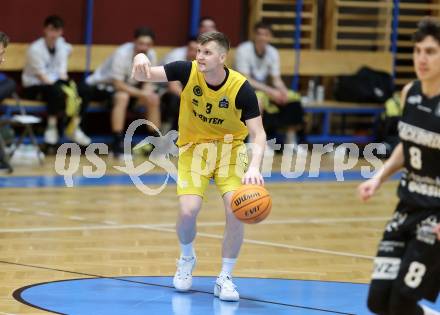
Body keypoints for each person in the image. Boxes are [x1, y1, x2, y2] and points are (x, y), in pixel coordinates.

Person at [131, 31, 266, 301]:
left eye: (207, 53)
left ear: (222, 57)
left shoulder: (241, 88)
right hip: (194, 150)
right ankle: (186, 256)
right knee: (188, 210)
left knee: (235, 210)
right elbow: (142, 75)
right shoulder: (186, 70)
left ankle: (225, 277)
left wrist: (254, 167)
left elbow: (259, 134)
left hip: (230, 151)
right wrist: (140, 56)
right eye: (199, 51)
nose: (200, 57)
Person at [358, 17, 440, 315]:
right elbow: (408, 145)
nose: (422, 58)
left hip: (435, 216)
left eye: (430, 51)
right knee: (378, 301)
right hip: (406, 206)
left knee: (402, 301)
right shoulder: (410, 92)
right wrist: (378, 178)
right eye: (417, 51)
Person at [81, 26, 160, 158]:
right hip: (100, 87)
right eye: (141, 43)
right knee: (122, 97)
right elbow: (117, 84)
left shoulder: (151, 55)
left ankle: (156, 142)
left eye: (148, 44)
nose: (144, 47)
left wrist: (147, 94)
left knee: (153, 97)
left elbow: (148, 80)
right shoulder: (122, 53)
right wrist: (142, 94)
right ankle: (117, 143)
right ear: (134, 42)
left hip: (128, 88)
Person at [234, 22, 305, 151]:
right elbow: (246, 79)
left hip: (264, 89)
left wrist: (283, 91)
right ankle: (254, 141)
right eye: (259, 34)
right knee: (257, 100)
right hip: (242, 89)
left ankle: (291, 140)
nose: (262, 37)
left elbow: (276, 78)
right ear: (254, 35)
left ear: (270, 37)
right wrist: (271, 91)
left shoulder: (272, 52)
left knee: (293, 98)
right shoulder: (243, 50)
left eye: (265, 34)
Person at [22, 15, 90, 146]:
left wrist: (71, 89)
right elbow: (43, 77)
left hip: (55, 82)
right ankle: (51, 127)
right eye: (51, 30)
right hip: (34, 85)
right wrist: (65, 90)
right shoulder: (35, 49)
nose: (54, 34)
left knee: (84, 90)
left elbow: (62, 72)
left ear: (61, 32)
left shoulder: (62, 45)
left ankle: (74, 127)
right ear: (45, 30)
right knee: (55, 90)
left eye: (57, 31)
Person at [160, 37, 198, 131]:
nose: (193, 53)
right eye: (190, 49)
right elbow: (173, 87)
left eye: (196, 50)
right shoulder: (176, 57)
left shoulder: (204, 60)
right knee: (174, 99)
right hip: (161, 89)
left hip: (185, 90)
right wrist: (193, 99)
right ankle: (165, 130)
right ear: (186, 48)